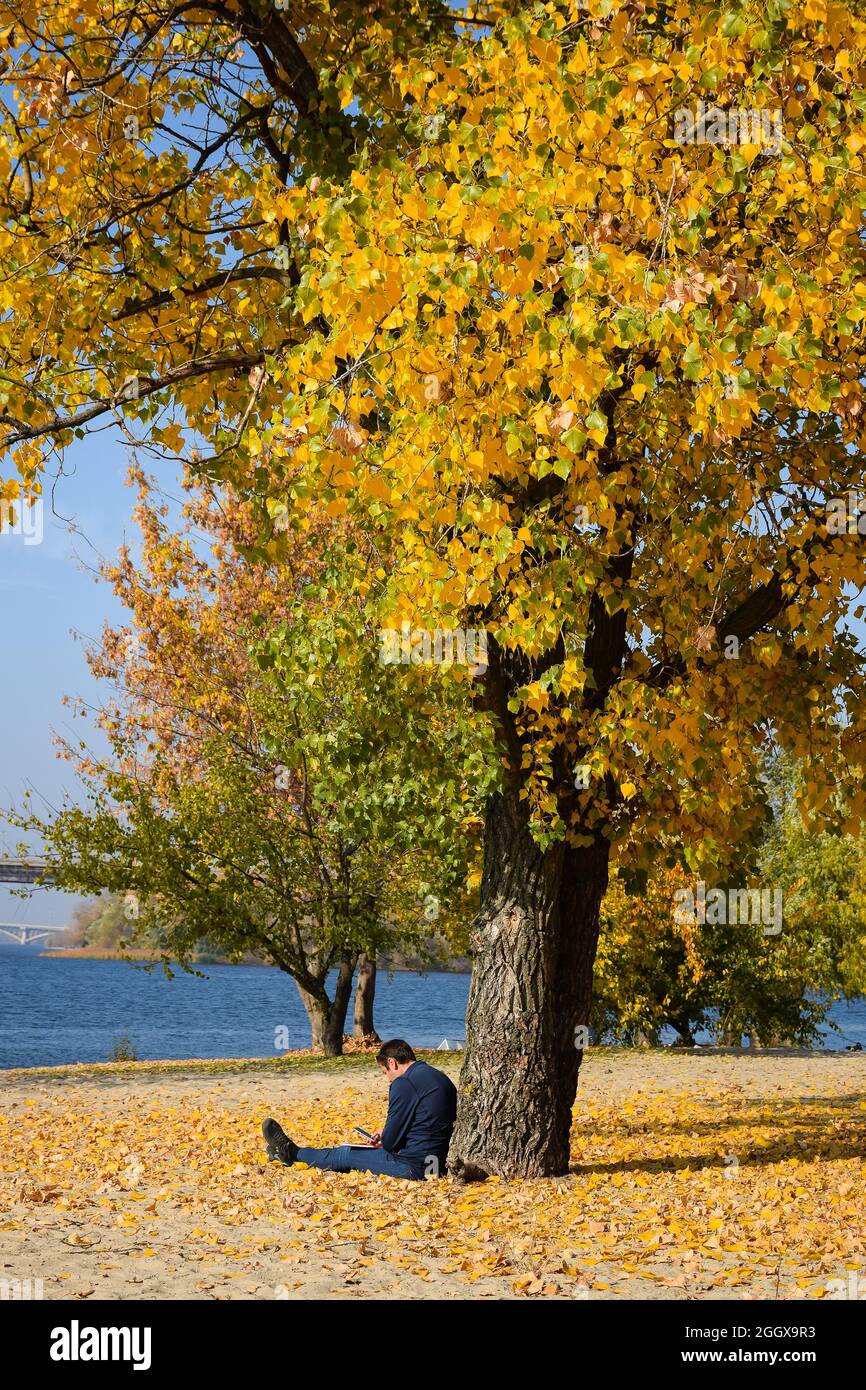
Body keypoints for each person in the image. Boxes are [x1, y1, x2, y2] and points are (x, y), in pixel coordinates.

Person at [262, 1038, 457, 1181]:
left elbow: (390, 1143)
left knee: (346, 1153)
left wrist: (385, 1139)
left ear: (392, 1062)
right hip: (436, 1162)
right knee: (356, 1151)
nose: (388, 1078)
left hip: (412, 1166)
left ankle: (291, 1152)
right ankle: (286, 1152)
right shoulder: (439, 1077)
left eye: (385, 1073)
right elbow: (426, 1120)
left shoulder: (404, 1083)